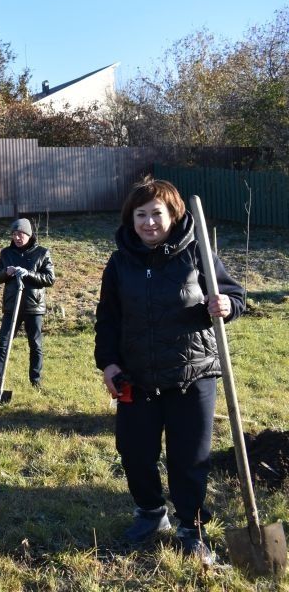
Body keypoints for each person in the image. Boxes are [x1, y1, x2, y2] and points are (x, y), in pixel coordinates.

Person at [94, 176, 244, 563]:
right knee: (134, 452)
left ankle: (191, 528)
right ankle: (150, 513)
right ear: (131, 219)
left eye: (156, 213)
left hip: (193, 374)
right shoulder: (120, 259)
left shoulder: (197, 253)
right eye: (140, 215)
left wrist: (225, 305)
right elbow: (108, 317)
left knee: (189, 458)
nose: (148, 223)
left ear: (173, 214)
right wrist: (109, 363)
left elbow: (235, 295)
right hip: (137, 376)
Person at [0, 217, 55, 397]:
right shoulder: (6, 253)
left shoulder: (42, 253)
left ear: (29, 234)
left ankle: (36, 380)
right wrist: (6, 272)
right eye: (14, 234)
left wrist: (30, 274)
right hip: (12, 307)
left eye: (21, 234)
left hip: (34, 306)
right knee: (3, 344)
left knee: (35, 345)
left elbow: (50, 278)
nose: (17, 237)